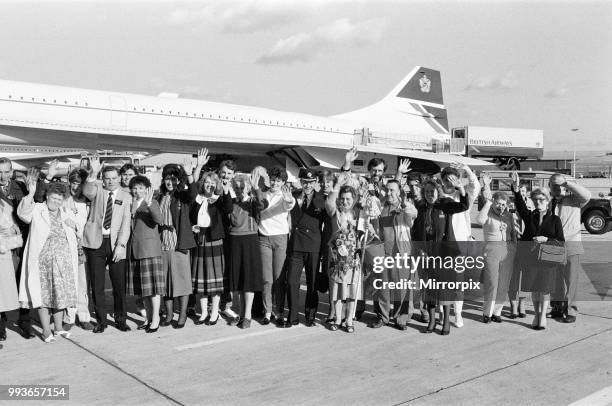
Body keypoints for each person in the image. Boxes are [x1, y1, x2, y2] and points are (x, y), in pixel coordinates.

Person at [18, 181, 80, 342]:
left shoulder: (66, 211)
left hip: (63, 261)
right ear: (47, 196)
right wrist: (30, 194)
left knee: (60, 296)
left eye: (59, 199)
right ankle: (46, 331)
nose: (56, 202)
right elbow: (23, 215)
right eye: (53, 198)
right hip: (43, 262)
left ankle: (58, 328)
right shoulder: (38, 209)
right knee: (43, 296)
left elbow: (79, 230)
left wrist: (74, 226)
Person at [412, 178, 469, 335]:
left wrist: (461, 189)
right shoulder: (421, 207)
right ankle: (431, 321)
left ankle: (445, 322)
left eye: (433, 191)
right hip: (427, 255)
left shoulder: (445, 204)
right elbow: (416, 232)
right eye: (427, 191)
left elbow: (464, 205)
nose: (430, 194)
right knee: (429, 290)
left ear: (438, 191)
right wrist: (420, 250)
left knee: (444, 289)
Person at [82, 158, 132, 333]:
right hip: (96, 242)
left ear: (119, 178)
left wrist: (121, 245)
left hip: (116, 244)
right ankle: (101, 321)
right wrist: (93, 173)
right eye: (107, 178)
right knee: (97, 285)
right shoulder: (98, 190)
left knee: (119, 285)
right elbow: (87, 192)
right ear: (103, 179)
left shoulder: (126, 196)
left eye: (113, 178)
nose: (110, 181)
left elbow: (126, 224)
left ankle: (120, 319)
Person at [512, 174, 564, 330]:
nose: (538, 202)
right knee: (534, 289)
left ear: (547, 201)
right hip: (531, 259)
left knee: (545, 289)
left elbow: (561, 241)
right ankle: (536, 314)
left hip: (548, 260)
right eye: (535, 200)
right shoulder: (530, 217)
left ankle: (542, 317)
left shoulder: (555, 220)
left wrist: (545, 239)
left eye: (541, 199)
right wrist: (516, 190)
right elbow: (521, 207)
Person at [369, 179, 418, 330]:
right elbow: (371, 221)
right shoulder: (380, 205)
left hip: (401, 252)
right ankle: (382, 316)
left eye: (393, 190)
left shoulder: (406, 206)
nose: (389, 193)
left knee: (401, 287)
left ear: (399, 192)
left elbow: (412, 215)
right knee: (381, 287)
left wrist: (404, 205)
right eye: (388, 190)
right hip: (382, 252)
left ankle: (400, 318)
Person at [158, 160, 200, 328]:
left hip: (179, 243)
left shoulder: (182, 196)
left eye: (174, 178)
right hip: (162, 243)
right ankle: (168, 314)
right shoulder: (159, 196)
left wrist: (190, 175)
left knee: (182, 281)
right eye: (167, 178)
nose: (170, 182)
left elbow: (193, 194)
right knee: (166, 281)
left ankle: (182, 314)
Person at [283, 167, 327, 328]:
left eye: (311, 182)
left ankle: (310, 315)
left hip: (314, 245)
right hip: (296, 244)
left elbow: (321, 210)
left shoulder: (321, 198)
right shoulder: (293, 196)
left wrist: (319, 192)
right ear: (300, 182)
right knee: (291, 281)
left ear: (315, 182)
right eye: (305, 182)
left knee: (312, 283)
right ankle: (292, 316)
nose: (307, 185)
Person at [439, 162, 481, 328]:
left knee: (457, 281)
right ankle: (443, 313)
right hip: (441, 243)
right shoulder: (439, 196)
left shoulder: (463, 197)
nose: (450, 183)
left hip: (459, 244)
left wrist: (467, 170)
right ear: (442, 181)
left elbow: (475, 185)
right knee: (441, 281)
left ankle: (457, 314)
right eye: (447, 180)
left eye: (454, 180)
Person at [191, 171, 233, 326]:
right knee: (201, 280)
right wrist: (192, 226)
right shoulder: (197, 198)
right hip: (199, 239)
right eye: (207, 182)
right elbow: (191, 216)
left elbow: (228, 209)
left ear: (216, 185)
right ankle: (203, 313)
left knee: (215, 280)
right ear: (203, 183)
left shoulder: (220, 199)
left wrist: (226, 190)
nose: (209, 185)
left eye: (213, 183)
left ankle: (214, 312)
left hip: (214, 240)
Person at [548, 173, 591, 323]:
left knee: (571, 280)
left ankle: (571, 310)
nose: (557, 188)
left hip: (571, 244)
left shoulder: (574, 200)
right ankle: (557, 308)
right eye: (554, 185)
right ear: (550, 188)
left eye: (559, 185)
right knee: (555, 280)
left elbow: (587, 195)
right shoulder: (548, 203)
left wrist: (566, 182)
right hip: (553, 246)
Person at [0, 157, 35, 339]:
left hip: (20, 242)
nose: (2, 175)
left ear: (12, 172)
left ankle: (24, 321)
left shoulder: (21, 187)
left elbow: (37, 199)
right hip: (2, 244)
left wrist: (36, 186)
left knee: (23, 281)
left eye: (6, 172)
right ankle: (1, 323)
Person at [226, 172, 266, 328]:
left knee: (248, 279)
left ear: (248, 187)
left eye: (242, 187)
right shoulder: (232, 202)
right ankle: (241, 313)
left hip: (249, 240)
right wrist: (227, 192)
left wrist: (255, 188)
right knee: (239, 280)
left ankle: (247, 316)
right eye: (236, 187)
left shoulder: (253, 201)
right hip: (234, 241)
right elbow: (226, 210)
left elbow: (262, 204)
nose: (239, 189)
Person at [126, 175, 165, 333]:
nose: (137, 191)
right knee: (145, 290)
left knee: (153, 289)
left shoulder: (152, 202)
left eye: (141, 188)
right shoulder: (131, 203)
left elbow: (159, 219)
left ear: (147, 189)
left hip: (149, 250)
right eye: (135, 188)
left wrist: (149, 203)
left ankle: (155, 318)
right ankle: (148, 318)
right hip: (135, 250)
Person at [325, 180, 364, 333]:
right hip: (336, 259)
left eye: (348, 199)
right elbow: (329, 202)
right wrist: (336, 186)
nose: (345, 201)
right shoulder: (335, 212)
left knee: (351, 292)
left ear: (353, 200)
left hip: (353, 260)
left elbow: (367, 233)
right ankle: (338, 318)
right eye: (343, 198)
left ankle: (348, 319)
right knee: (337, 291)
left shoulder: (359, 214)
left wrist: (365, 228)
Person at [477, 173, 517, 323]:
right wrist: (488, 203)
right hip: (492, 250)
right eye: (498, 203)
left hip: (507, 250)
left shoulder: (508, 215)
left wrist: (514, 249)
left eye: (503, 204)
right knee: (492, 283)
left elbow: (513, 233)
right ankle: (487, 313)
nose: (501, 206)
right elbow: (479, 220)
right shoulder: (488, 212)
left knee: (503, 284)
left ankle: (497, 312)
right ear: (494, 202)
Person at [258, 167, 295, 326]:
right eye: (273, 179)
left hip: (280, 239)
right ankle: (267, 312)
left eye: (278, 180)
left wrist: (288, 199)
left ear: (283, 182)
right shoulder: (263, 194)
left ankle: (279, 312)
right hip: (263, 238)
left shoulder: (285, 196)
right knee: (267, 279)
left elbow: (289, 205)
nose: (275, 183)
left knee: (279, 279)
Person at [508, 182, 534, 318]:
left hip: (527, 245)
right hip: (514, 242)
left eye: (524, 191)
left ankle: (522, 303)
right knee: (513, 275)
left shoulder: (533, 205)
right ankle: (513, 304)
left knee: (526, 277)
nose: (522, 193)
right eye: (519, 190)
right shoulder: (509, 204)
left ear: (527, 192)